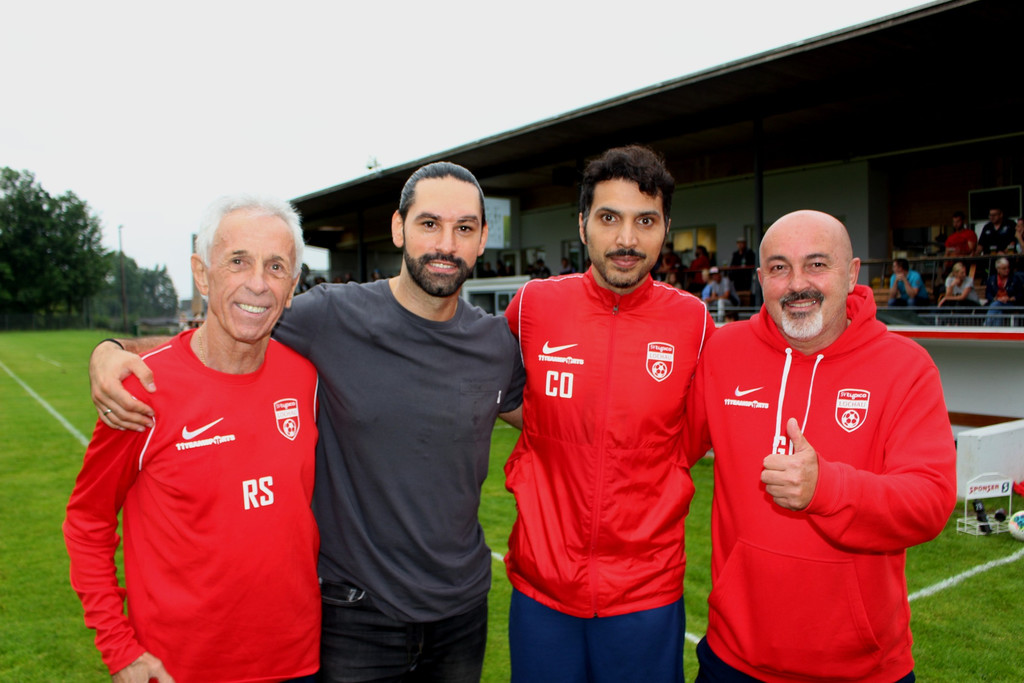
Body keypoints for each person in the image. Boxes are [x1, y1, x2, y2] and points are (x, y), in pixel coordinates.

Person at [88, 162, 526, 683]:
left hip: (461, 613)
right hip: (356, 614)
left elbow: (553, 423)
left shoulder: (495, 345)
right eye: (429, 223)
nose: (446, 244)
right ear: (398, 228)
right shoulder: (328, 318)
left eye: (464, 228)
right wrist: (112, 349)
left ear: (482, 239)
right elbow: (232, 325)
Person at [685, 209, 956, 682]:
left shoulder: (906, 367)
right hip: (734, 658)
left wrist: (826, 489)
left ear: (851, 274)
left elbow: (930, 501)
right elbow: (665, 449)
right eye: (779, 267)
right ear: (760, 279)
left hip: (862, 669)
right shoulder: (724, 353)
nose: (797, 284)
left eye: (816, 264)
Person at [65, 195, 321, 683]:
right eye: (238, 261)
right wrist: (118, 648)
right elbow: (87, 521)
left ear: (291, 288)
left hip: (296, 662)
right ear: (202, 275)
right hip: (178, 668)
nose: (257, 283)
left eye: (275, 267)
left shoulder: (305, 379)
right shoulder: (142, 389)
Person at [503, 145, 715, 683]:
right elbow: (494, 393)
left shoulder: (694, 323)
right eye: (609, 218)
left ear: (666, 229)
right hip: (542, 588)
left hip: (646, 592)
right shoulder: (532, 307)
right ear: (582, 225)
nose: (626, 239)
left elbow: (694, 433)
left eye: (645, 221)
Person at [983, 256, 1024, 326]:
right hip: (996, 303)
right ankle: (997, 330)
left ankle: (986, 326)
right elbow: (988, 294)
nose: (1007, 270)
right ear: (998, 269)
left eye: (1008, 268)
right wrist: (996, 299)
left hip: (1010, 303)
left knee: (996, 305)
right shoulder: (992, 279)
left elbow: (1020, 294)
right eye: (1004, 268)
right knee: (998, 309)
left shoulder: (1015, 279)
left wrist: (1011, 298)